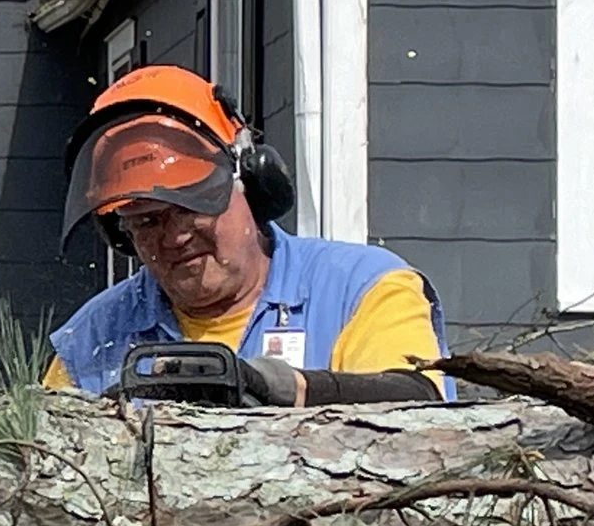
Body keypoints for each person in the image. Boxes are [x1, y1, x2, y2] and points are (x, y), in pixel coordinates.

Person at [47, 66, 449, 405]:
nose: (174, 238)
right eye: (148, 223)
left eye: (191, 210)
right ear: (122, 235)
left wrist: (279, 386)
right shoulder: (92, 338)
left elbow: (417, 404)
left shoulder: (362, 288)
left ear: (250, 182)